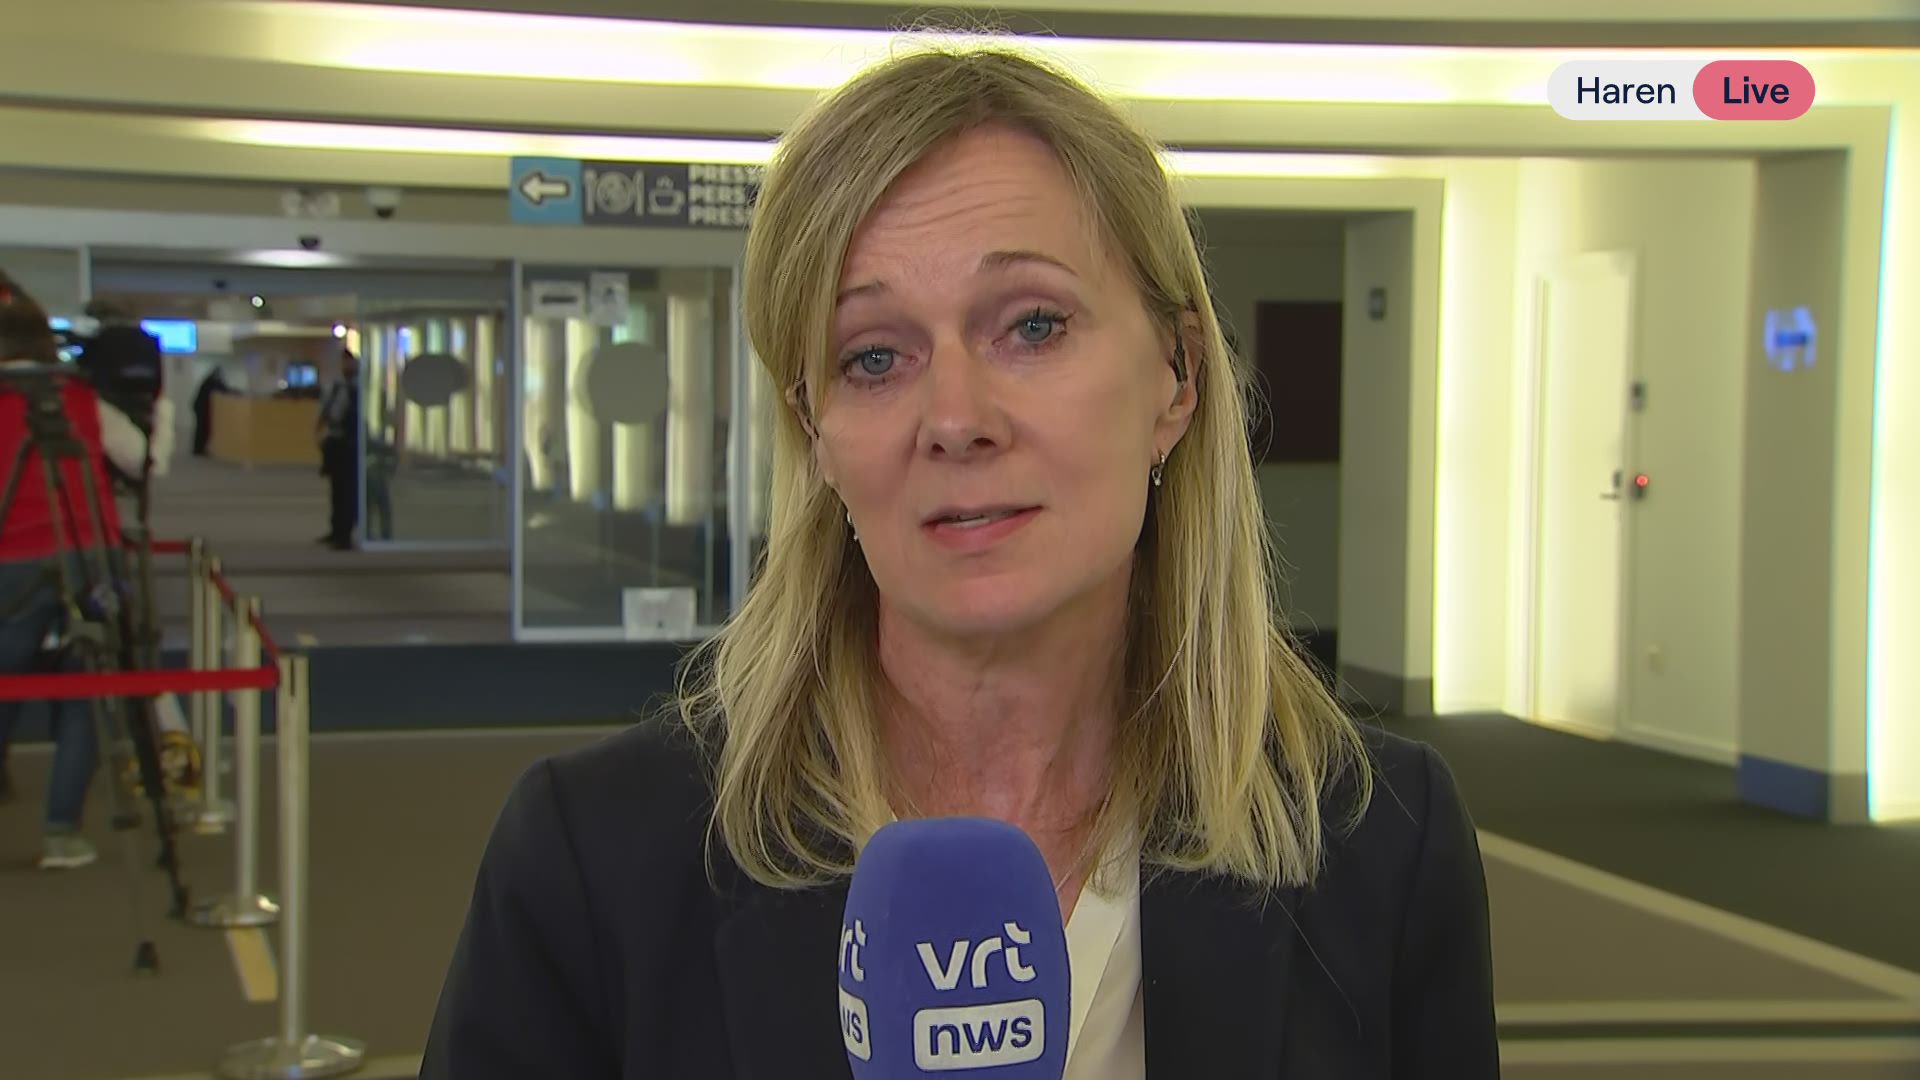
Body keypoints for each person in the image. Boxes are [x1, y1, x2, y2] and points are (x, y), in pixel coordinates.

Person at [423, 45, 1497, 1079]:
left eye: (1031, 327)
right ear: (817, 431)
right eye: (873, 356)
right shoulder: (592, 857)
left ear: (1176, 377)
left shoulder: (1380, 839)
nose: (955, 418)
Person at [0, 277, 147, 869]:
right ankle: (62, 831)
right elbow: (136, 453)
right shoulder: (79, 395)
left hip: (12, 557)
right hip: (92, 551)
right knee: (89, 688)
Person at [314, 348, 360, 550]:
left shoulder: (358, 388)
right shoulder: (335, 386)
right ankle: (336, 529)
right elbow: (325, 411)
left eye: (349, 362)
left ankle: (345, 534)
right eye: (344, 362)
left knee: (347, 491)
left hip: (351, 444)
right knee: (336, 490)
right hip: (335, 441)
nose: (346, 366)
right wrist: (318, 432)